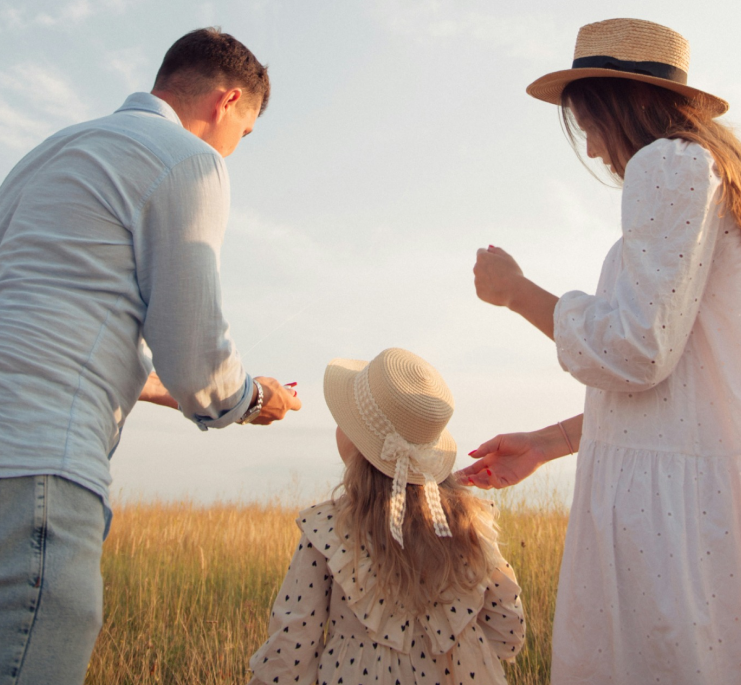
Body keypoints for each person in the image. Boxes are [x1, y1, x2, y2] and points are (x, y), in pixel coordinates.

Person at [0, 28, 301, 685]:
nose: (234, 151)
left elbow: (46, 330)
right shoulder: (187, 160)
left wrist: (159, 388)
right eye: (244, 135)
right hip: (41, 472)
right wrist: (251, 396)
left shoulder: (45, 156)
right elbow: (198, 355)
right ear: (227, 103)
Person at [461, 17, 741, 685]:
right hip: (688, 509)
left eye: (586, 121)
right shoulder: (709, 182)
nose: (589, 148)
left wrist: (516, 292)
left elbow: (638, 349)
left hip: (665, 523)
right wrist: (548, 441)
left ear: (621, 107)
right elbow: (688, 398)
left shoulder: (668, 162)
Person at [249, 348, 525, 685]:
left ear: (358, 440)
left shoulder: (329, 531)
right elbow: (508, 633)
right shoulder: (474, 527)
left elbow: (290, 647)